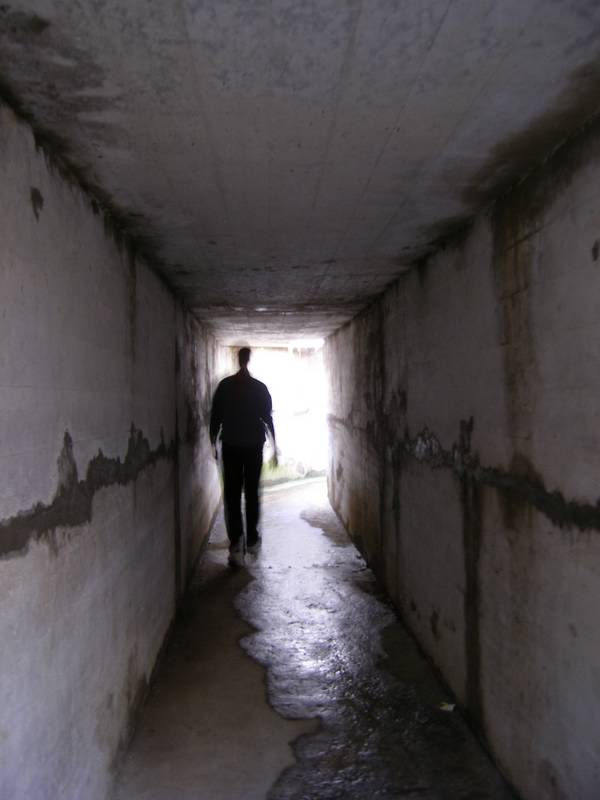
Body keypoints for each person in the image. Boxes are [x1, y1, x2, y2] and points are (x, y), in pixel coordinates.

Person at [210, 347, 277, 568]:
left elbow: (215, 417)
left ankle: (237, 544)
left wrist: (213, 442)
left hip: (231, 447)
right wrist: (275, 446)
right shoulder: (259, 387)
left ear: (238, 359)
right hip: (253, 448)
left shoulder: (225, 386)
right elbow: (267, 418)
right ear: (248, 360)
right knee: (251, 494)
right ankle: (252, 539)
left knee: (232, 495)